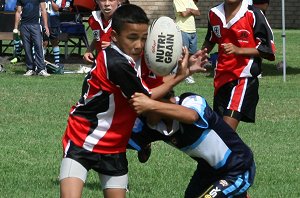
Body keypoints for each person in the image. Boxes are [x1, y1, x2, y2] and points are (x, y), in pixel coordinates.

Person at [59, 4, 207, 198]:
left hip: (115, 145)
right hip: (82, 138)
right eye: (132, 38)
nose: (138, 44)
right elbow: (145, 97)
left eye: (144, 38)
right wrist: (181, 75)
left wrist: (182, 67)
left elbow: (160, 85)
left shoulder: (145, 59)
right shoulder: (113, 61)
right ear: (114, 37)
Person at [128, 92, 256, 198]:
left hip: (238, 168)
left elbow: (192, 116)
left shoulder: (190, 101)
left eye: (145, 110)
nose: (143, 115)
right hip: (208, 172)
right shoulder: (153, 125)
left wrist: (151, 104)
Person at [201, 0, 276, 130]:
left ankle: (241, 151)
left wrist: (239, 50)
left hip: (243, 78)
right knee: (218, 131)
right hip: (221, 78)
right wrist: (201, 55)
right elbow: (211, 39)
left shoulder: (253, 14)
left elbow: (268, 50)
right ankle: (236, 151)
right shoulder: (214, 13)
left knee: (226, 130)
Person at [15, 0, 50, 76]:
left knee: (38, 46)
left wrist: (46, 25)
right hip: (24, 25)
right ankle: (30, 69)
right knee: (27, 48)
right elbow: (18, 12)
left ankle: (41, 69)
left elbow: (43, 10)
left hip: (35, 25)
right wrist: (16, 27)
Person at [173, 0, 200, 84]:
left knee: (192, 53)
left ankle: (187, 73)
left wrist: (189, 10)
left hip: (192, 30)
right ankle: (179, 73)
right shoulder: (177, 1)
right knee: (183, 53)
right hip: (182, 29)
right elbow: (183, 14)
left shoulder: (190, 1)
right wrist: (191, 10)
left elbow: (198, 12)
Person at [43, 0, 63, 66]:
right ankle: (41, 61)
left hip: (53, 19)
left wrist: (51, 1)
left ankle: (57, 62)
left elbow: (56, 8)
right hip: (44, 18)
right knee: (44, 42)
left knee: (54, 41)